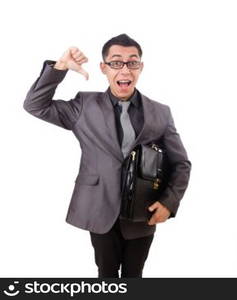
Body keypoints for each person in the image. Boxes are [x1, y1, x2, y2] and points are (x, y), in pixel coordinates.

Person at [23, 34, 192, 278]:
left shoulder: (160, 113)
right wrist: (60, 68)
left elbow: (181, 163)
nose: (125, 69)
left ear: (140, 67)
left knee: (135, 273)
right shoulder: (84, 105)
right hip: (99, 206)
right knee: (106, 273)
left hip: (143, 211)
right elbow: (34, 105)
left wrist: (169, 201)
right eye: (116, 62)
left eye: (132, 62)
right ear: (104, 68)